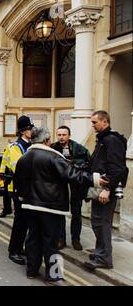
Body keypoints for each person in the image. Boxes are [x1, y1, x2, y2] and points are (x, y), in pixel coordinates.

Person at [14, 127, 107, 285]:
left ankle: (31, 270)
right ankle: (53, 275)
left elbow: (18, 181)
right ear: (46, 140)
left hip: (30, 205)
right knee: (50, 241)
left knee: (33, 238)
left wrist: (24, 198)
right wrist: (95, 179)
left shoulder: (24, 157)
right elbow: (72, 174)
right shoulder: (53, 156)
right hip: (50, 206)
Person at [83, 111, 128, 271]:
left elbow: (117, 168)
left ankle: (104, 259)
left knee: (102, 223)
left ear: (105, 122)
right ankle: (100, 252)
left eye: (95, 122)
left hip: (105, 189)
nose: (93, 125)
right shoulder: (104, 139)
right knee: (97, 222)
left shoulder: (111, 140)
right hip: (99, 187)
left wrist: (108, 189)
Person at [0, 115, 34, 265]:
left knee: (26, 221)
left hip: (28, 188)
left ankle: (19, 247)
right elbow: (19, 167)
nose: (32, 131)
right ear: (24, 131)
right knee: (20, 221)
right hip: (18, 189)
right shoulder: (16, 147)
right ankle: (13, 251)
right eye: (30, 129)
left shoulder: (29, 145)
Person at [51, 126, 91, 251]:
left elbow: (88, 163)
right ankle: (61, 239)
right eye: (59, 135)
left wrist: (72, 163)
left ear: (69, 135)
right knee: (60, 212)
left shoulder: (79, 148)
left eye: (64, 134)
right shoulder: (53, 148)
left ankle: (76, 239)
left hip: (76, 185)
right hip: (60, 185)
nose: (61, 137)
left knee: (76, 213)